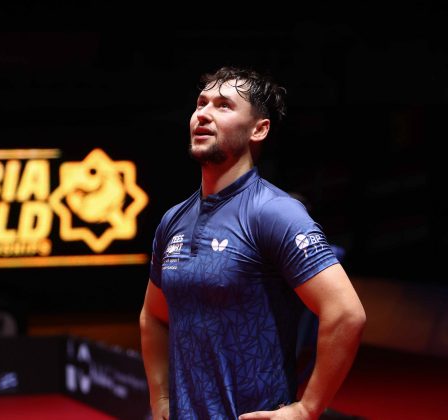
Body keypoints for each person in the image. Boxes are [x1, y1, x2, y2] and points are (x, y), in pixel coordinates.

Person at [139, 66, 366, 420]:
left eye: (223, 106)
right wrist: (161, 399)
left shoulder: (273, 213)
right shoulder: (173, 221)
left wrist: (307, 409)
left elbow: (346, 314)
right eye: (201, 103)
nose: (204, 114)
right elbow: (153, 316)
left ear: (258, 130)